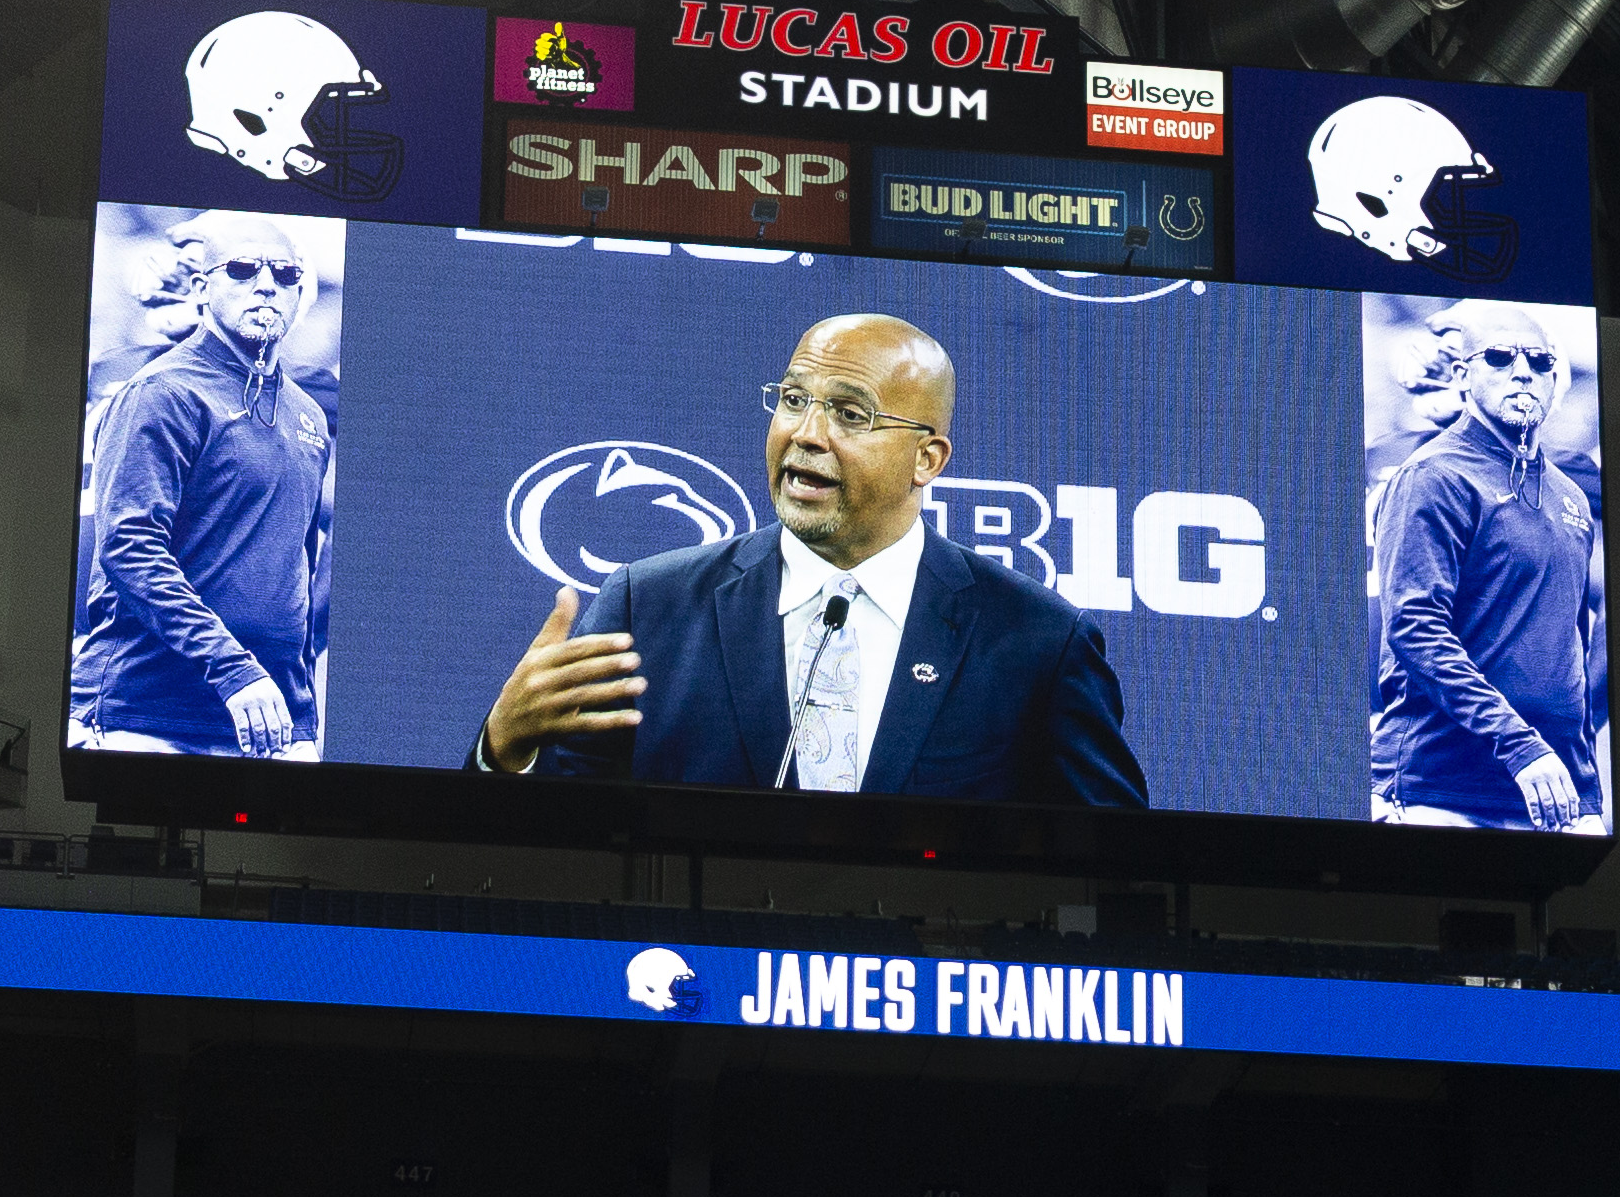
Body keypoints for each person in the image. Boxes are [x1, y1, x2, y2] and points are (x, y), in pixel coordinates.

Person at [472, 313, 1147, 808]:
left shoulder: (1035, 641)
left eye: (851, 415)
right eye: (794, 401)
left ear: (927, 459)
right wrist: (506, 749)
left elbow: (1117, 868)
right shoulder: (646, 610)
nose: (807, 433)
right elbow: (547, 846)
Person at [72, 214, 333, 758]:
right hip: (149, 716)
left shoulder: (308, 412)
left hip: (272, 721)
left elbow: (297, 566)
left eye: (285, 275)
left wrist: (299, 701)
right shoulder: (160, 392)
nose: (266, 284)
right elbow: (128, 546)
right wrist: (234, 669)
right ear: (201, 288)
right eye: (242, 269)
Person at [1370, 302, 1603, 832]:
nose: (1523, 371)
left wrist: (1582, 780)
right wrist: (1521, 746)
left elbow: (1569, 646)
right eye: (1498, 357)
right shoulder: (1433, 474)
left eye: (1540, 362)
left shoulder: (1570, 494)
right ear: (1462, 375)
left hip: (1555, 792)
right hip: (1442, 788)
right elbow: (1414, 627)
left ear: (1555, 381)